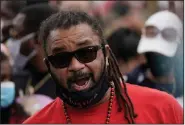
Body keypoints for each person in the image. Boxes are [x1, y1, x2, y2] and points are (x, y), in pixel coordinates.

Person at [23, 11, 183, 124]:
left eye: (87, 53)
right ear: (49, 65)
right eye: (61, 59)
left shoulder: (163, 108)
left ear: (105, 53)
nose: (76, 66)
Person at [3, 4, 58, 123]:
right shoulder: (16, 78)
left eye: (15, 33)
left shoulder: (64, 82)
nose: (10, 40)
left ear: (37, 39)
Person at [137, 10, 183, 98]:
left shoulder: (181, 86)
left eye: (163, 54)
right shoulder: (132, 82)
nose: (157, 60)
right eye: (152, 53)